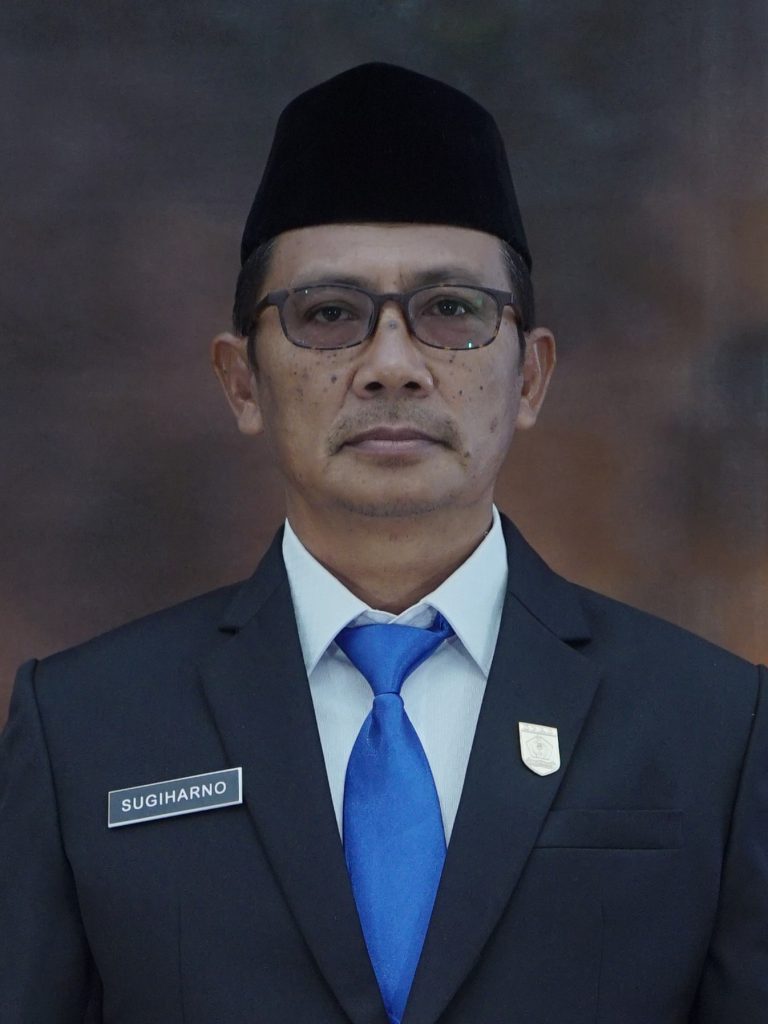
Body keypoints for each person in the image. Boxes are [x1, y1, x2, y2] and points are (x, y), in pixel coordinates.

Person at [0, 62, 766, 1024]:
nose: (392, 366)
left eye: (452, 310)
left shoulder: (711, 727)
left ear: (531, 377)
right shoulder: (87, 729)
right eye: (329, 315)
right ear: (242, 382)